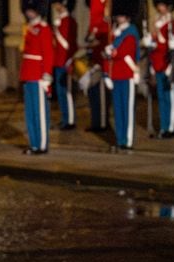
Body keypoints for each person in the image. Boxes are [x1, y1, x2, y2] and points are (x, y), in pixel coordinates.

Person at [143, 0, 174, 135]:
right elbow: (155, 45)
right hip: (158, 65)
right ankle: (163, 126)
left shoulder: (173, 23)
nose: (161, 8)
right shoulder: (156, 23)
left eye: (163, 5)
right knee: (160, 97)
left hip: (168, 65)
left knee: (170, 97)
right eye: (159, 5)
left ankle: (171, 128)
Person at [19, 0, 54, 154]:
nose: (29, 13)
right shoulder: (29, 28)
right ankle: (34, 144)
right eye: (28, 10)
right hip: (28, 74)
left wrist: (46, 75)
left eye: (32, 10)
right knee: (30, 113)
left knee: (40, 113)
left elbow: (48, 53)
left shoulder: (44, 29)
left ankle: (42, 144)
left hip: (39, 76)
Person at [104, 0, 140, 150]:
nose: (119, 18)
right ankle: (120, 139)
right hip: (116, 75)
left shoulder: (131, 31)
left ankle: (127, 140)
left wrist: (112, 51)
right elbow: (109, 56)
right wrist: (107, 74)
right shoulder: (115, 32)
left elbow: (126, 52)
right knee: (118, 110)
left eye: (121, 15)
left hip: (127, 74)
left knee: (127, 110)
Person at [82, 0, 111, 132]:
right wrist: (89, 36)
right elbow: (93, 23)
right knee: (93, 89)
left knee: (102, 89)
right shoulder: (94, 2)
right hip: (94, 51)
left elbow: (109, 27)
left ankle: (103, 122)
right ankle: (96, 121)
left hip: (104, 50)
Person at [52, 0, 78, 129]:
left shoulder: (69, 21)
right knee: (60, 92)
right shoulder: (60, 21)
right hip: (57, 60)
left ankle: (70, 120)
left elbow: (69, 44)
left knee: (66, 92)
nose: (55, 6)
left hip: (65, 61)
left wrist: (57, 31)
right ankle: (65, 118)